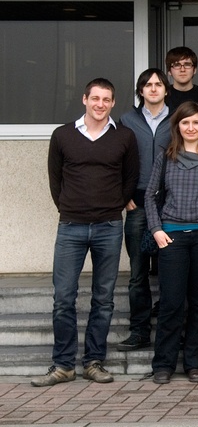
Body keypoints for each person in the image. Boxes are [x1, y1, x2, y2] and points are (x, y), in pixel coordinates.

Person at [33, 78, 139, 387]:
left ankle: (94, 361)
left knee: (103, 299)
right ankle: (63, 365)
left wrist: (113, 205)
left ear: (112, 103)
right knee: (63, 297)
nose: (100, 104)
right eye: (95, 98)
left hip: (109, 226)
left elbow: (130, 178)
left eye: (107, 99)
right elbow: (56, 179)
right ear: (85, 99)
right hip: (71, 226)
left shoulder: (125, 137)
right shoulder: (63, 135)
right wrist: (68, 207)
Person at [146, 102, 198, 384]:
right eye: (185, 123)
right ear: (177, 126)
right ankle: (163, 365)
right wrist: (157, 229)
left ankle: (195, 363)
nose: (191, 128)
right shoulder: (166, 157)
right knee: (171, 302)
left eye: (196, 123)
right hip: (171, 237)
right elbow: (150, 197)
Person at [117, 68, 171, 352]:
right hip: (136, 203)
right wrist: (123, 196)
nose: (153, 89)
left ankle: (167, 329)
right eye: (148, 85)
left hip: (169, 204)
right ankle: (138, 331)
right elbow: (114, 158)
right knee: (138, 272)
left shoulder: (177, 119)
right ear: (140, 90)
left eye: (158, 84)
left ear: (165, 89)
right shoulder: (126, 120)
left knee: (168, 271)